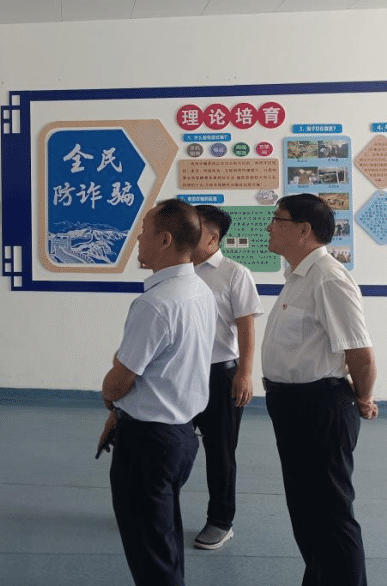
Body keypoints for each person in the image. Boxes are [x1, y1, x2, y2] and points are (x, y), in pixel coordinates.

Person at [97, 199, 216, 586]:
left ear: (165, 240)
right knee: (163, 542)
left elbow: (120, 380)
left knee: (150, 554)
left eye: (144, 231)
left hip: (148, 443)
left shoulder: (156, 303)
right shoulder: (199, 290)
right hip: (180, 436)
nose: (138, 238)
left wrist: (110, 395)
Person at [262, 193, 378, 586]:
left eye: (277, 219)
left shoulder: (328, 278)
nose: (269, 227)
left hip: (319, 408)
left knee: (330, 514)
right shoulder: (299, 277)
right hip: (292, 407)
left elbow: (360, 354)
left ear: (303, 230)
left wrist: (363, 398)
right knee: (307, 513)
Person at [190, 205, 263, 550]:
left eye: (193, 228)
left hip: (220, 375)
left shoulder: (235, 273)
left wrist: (245, 374)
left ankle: (220, 521)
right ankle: (158, 508)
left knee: (220, 452)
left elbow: (246, 328)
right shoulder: (178, 269)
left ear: (212, 237)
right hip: (181, 374)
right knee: (169, 443)